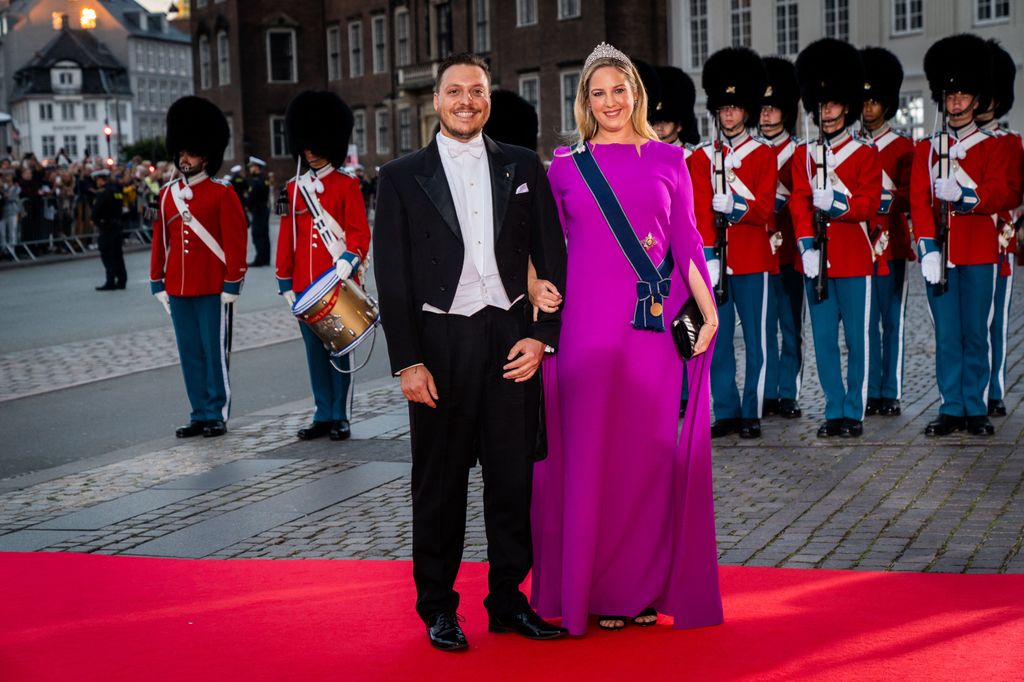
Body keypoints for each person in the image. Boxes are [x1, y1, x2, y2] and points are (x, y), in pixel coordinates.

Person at [373, 53, 569, 651]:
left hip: (510, 337)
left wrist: (542, 337)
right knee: (439, 487)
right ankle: (437, 607)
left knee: (512, 481)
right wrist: (407, 361)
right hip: (439, 344)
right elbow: (394, 278)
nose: (466, 101)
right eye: (455, 91)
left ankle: (508, 601)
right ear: (436, 100)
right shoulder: (401, 177)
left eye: (477, 91)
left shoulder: (522, 164)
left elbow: (552, 253)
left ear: (489, 98)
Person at [529, 42, 722, 634]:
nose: (610, 101)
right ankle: (594, 587)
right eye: (597, 92)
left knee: (645, 459)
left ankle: (638, 592)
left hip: (652, 328)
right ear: (584, 101)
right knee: (590, 459)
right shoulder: (565, 164)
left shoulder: (671, 159)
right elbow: (540, 243)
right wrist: (537, 287)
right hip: (585, 327)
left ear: (635, 94)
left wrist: (708, 309)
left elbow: (687, 239)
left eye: (619, 89)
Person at [911, 34, 1016, 436]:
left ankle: (976, 405)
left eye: (963, 95)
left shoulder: (993, 145)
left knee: (976, 332)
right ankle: (951, 406)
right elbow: (920, 203)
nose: (955, 102)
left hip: (979, 250)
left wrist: (967, 195)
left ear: (976, 99)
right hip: (942, 255)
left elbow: (1005, 191)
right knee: (948, 335)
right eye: (950, 95)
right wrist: (927, 248)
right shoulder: (927, 148)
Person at [792, 38, 881, 438]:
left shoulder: (865, 153)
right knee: (825, 341)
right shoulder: (804, 155)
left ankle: (854, 411)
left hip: (854, 258)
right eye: (820, 104)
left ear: (846, 106)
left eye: (832, 104)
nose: (825, 111)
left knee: (857, 341)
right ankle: (832, 409)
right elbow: (797, 203)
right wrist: (806, 246)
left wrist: (838, 202)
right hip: (817, 261)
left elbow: (869, 203)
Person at [691, 47, 777, 439]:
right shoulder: (701, 159)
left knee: (757, 340)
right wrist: (707, 255)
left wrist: (736, 205)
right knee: (718, 339)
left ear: (747, 110)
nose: (728, 114)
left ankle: (752, 410)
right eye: (723, 107)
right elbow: (696, 213)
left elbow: (764, 210)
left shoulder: (763, 155)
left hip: (752, 258)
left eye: (735, 107)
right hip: (716, 262)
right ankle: (725, 411)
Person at [150, 96, 248, 439]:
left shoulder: (222, 194)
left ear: (206, 155)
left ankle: (216, 412)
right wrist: (157, 281)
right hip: (178, 287)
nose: (184, 159)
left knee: (213, 353)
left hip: (212, 286)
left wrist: (232, 283)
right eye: (181, 153)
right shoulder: (167, 195)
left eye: (190, 153)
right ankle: (198, 411)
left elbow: (236, 241)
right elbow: (161, 241)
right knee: (189, 353)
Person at [276, 91, 370, 442]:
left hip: (337, 284)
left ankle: (341, 414)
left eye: (316, 143)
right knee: (314, 353)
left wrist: (349, 259)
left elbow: (360, 232)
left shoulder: (348, 185)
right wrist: (284, 279)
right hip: (304, 284)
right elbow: (287, 237)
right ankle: (323, 413)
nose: (310, 150)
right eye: (306, 144)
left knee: (340, 351)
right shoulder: (292, 188)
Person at [860, 47, 915, 419]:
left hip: (891, 243)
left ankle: (889, 389)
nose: (867, 109)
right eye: (863, 101)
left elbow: (912, 194)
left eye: (875, 101)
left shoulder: (902, 146)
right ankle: (870, 388)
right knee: (865, 324)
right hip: (860, 246)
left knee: (891, 320)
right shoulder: (852, 148)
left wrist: (888, 196)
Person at [978, 40, 1024, 418]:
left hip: (998, 239)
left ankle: (994, 388)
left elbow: (1013, 191)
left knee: (996, 320)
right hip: (965, 243)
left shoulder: (1009, 143)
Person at [760, 56, 804, 420]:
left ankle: (788, 390)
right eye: (763, 108)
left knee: (789, 325)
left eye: (774, 108)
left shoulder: (799, 152)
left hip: (788, 251)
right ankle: (768, 389)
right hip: (757, 252)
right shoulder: (750, 152)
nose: (767, 114)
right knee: (762, 328)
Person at [91, 169, 127, 290]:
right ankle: (122, 280)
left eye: (97, 180)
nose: (96, 182)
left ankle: (110, 281)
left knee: (107, 255)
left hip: (106, 227)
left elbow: (96, 210)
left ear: (101, 180)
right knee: (118, 254)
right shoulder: (116, 191)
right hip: (117, 226)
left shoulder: (102, 193)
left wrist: (95, 221)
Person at [246, 156, 271, 267]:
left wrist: (247, 205)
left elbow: (251, 197)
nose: (250, 169)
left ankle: (259, 260)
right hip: (264, 210)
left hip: (258, 211)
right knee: (264, 235)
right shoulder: (264, 179)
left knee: (257, 234)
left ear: (256, 167)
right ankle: (266, 259)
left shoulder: (256, 181)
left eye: (251, 167)